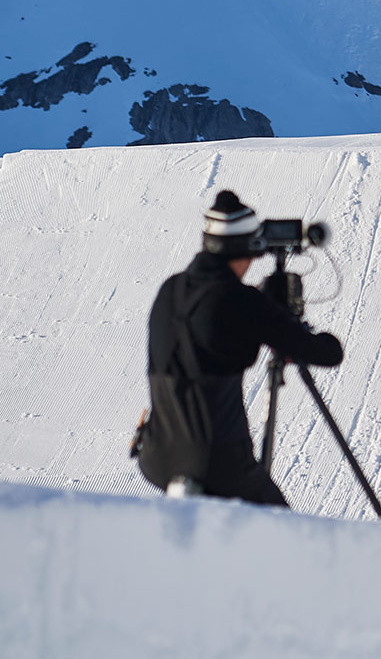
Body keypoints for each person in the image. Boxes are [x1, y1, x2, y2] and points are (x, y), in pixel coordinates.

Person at [135, 189, 343, 506]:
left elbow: (207, 332)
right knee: (279, 527)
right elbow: (327, 353)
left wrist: (262, 308)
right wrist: (277, 316)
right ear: (245, 248)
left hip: (156, 458)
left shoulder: (170, 289)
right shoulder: (242, 303)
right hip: (215, 463)